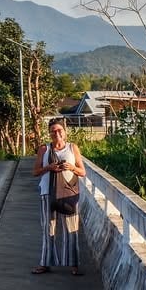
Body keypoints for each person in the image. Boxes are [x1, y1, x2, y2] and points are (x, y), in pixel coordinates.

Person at [31, 118, 87, 276]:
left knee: (72, 229)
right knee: (48, 229)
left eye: (59, 130)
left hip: (68, 194)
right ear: (49, 133)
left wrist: (71, 167)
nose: (56, 133)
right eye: (53, 131)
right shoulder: (44, 149)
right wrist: (49, 167)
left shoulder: (72, 148)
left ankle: (74, 264)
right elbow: (35, 172)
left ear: (65, 132)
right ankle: (45, 263)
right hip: (47, 193)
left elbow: (83, 172)